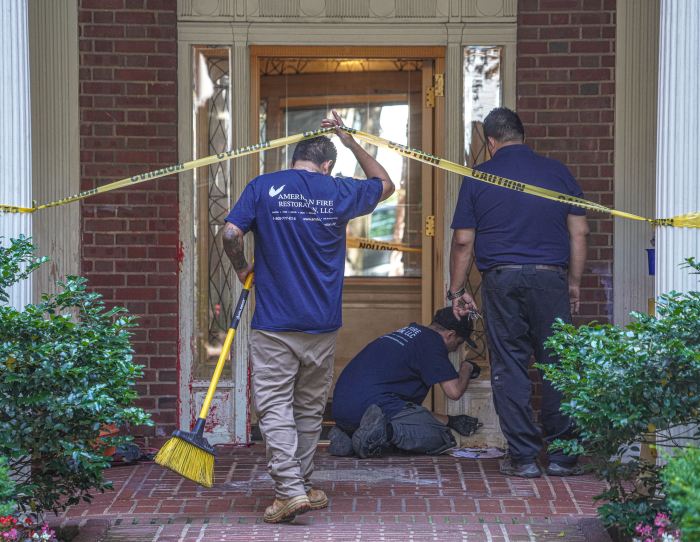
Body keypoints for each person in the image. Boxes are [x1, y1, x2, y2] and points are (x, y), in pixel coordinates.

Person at [222, 110, 394, 523]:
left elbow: (230, 234)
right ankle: (300, 483)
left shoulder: (264, 187)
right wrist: (351, 139)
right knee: (308, 409)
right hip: (322, 323)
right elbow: (385, 184)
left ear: (295, 158)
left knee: (275, 406)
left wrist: (242, 268)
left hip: (275, 324)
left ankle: (289, 489)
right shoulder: (336, 190)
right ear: (327, 164)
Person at [448, 107, 589, 478]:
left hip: (502, 281)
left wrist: (456, 290)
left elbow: (463, 241)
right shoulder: (557, 173)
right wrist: (573, 282)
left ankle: (524, 458)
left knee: (510, 366)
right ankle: (563, 457)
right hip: (550, 278)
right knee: (558, 364)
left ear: (490, 142)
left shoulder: (478, 176)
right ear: (521, 136)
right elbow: (579, 232)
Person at [330, 307, 482, 459]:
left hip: (342, 410)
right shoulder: (432, 343)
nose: (456, 349)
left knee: (414, 417)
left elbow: (407, 411)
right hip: (369, 407)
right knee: (441, 437)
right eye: (459, 343)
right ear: (450, 335)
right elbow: (454, 392)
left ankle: (348, 436)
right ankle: (380, 434)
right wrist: (466, 368)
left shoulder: (410, 333)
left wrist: (451, 420)